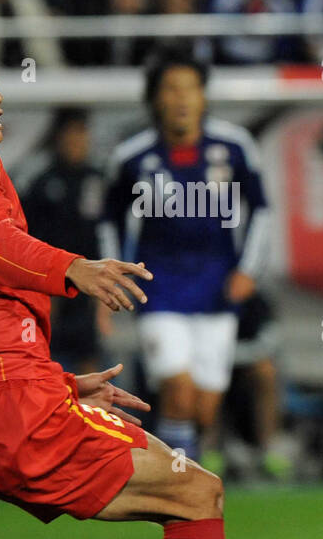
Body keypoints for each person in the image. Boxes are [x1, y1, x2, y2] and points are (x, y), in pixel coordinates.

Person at [0, 38, 274, 539]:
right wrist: (71, 268)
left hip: (6, 390)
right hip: (11, 407)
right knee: (198, 492)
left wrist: (53, 380)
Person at [101, 50, 272, 476]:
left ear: (203, 96)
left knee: (205, 404)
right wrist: (112, 279)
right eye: (171, 89)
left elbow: (262, 211)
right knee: (177, 391)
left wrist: (248, 269)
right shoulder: (131, 158)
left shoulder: (233, 148)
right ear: (155, 99)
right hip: (158, 289)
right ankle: (176, 486)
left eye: (190, 88)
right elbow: (109, 221)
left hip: (218, 290)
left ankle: (181, 469)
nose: (181, 98)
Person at [19, 107, 105, 375]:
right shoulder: (41, 184)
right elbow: (26, 240)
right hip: (51, 285)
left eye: (81, 133)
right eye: (69, 134)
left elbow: (106, 235)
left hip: (89, 287)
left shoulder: (99, 181)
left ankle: (89, 416)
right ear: (57, 138)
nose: (75, 141)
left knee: (90, 364)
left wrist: (103, 297)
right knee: (46, 361)